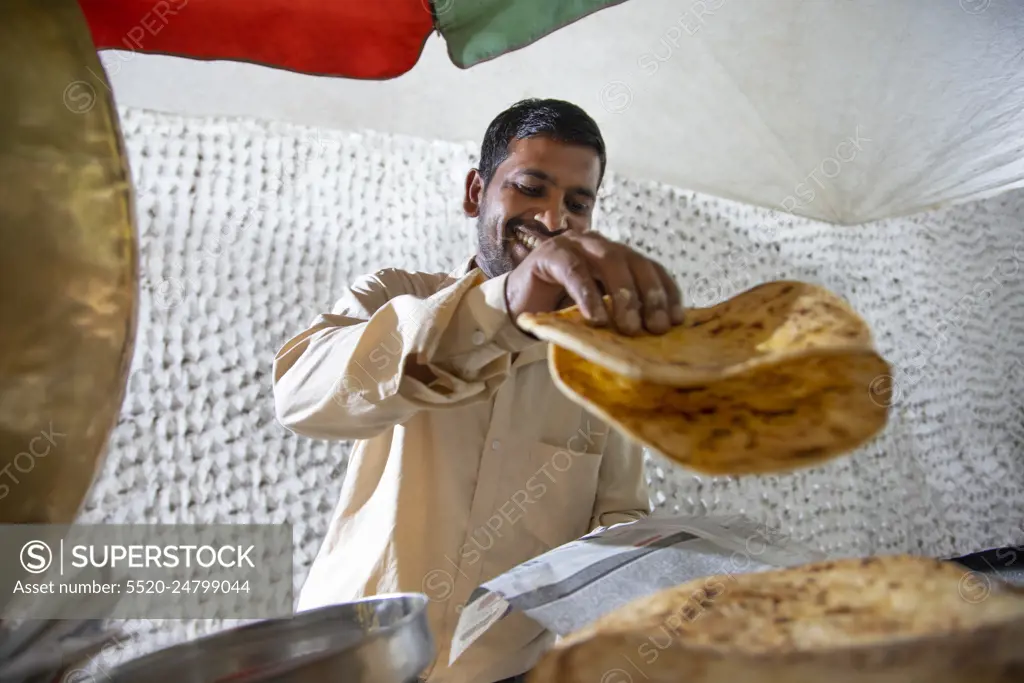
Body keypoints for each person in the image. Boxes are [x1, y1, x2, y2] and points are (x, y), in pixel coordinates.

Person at [273, 98, 685, 683]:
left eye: (577, 202)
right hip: (349, 662)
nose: (552, 218)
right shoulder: (395, 296)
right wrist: (506, 305)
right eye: (530, 188)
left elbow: (615, 517)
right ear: (476, 191)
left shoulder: (605, 362)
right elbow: (299, 397)